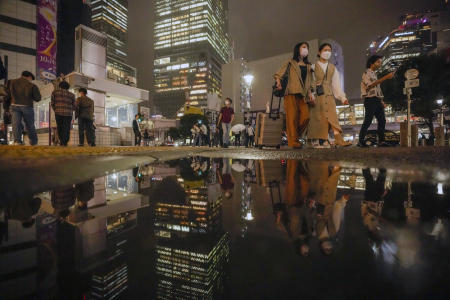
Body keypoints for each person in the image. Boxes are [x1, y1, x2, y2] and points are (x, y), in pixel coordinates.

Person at [308, 43, 351, 148]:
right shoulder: (313, 67)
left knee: (332, 117)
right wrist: (311, 95)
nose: (327, 52)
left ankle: (338, 139)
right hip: (317, 96)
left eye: (329, 50)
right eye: (325, 50)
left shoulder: (333, 68)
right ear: (319, 52)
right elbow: (310, 82)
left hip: (329, 95)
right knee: (318, 119)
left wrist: (342, 97)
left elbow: (336, 85)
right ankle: (318, 141)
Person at [274, 42, 315, 148]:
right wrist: (278, 83)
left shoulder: (309, 66)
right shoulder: (290, 62)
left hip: (303, 95)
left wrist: (310, 93)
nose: (306, 49)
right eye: (304, 47)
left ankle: (294, 136)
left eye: (307, 48)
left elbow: (310, 81)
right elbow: (278, 74)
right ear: (298, 49)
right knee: (291, 118)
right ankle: (293, 142)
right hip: (290, 93)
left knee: (306, 117)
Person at [358, 55, 395, 147]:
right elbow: (370, 86)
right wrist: (386, 77)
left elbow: (377, 89)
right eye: (378, 62)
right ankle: (360, 141)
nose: (380, 64)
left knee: (382, 120)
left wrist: (381, 101)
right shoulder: (366, 73)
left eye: (380, 62)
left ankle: (381, 141)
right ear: (372, 63)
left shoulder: (374, 74)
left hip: (377, 100)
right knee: (368, 120)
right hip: (370, 100)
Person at [9, 71, 41, 145]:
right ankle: (33, 142)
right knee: (30, 124)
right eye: (31, 79)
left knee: (16, 124)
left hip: (14, 105)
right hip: (27, 106)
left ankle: (17, 141)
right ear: (29, 77)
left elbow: (7, 95)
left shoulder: (12, 82)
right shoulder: (31, 85)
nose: (31, 80)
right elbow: (38, 98)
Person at [51, 81, 75, 146]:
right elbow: (74, 106)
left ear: (60, 86)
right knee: (66, 128)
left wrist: (56, 110)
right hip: (68, 114)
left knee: (60, 128)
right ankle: (65, 142)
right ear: (68, 87)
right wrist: (71, 110)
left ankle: (61, 141)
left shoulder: (55, 93)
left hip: (58, 113)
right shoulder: (72, 95)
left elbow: (52, 103)